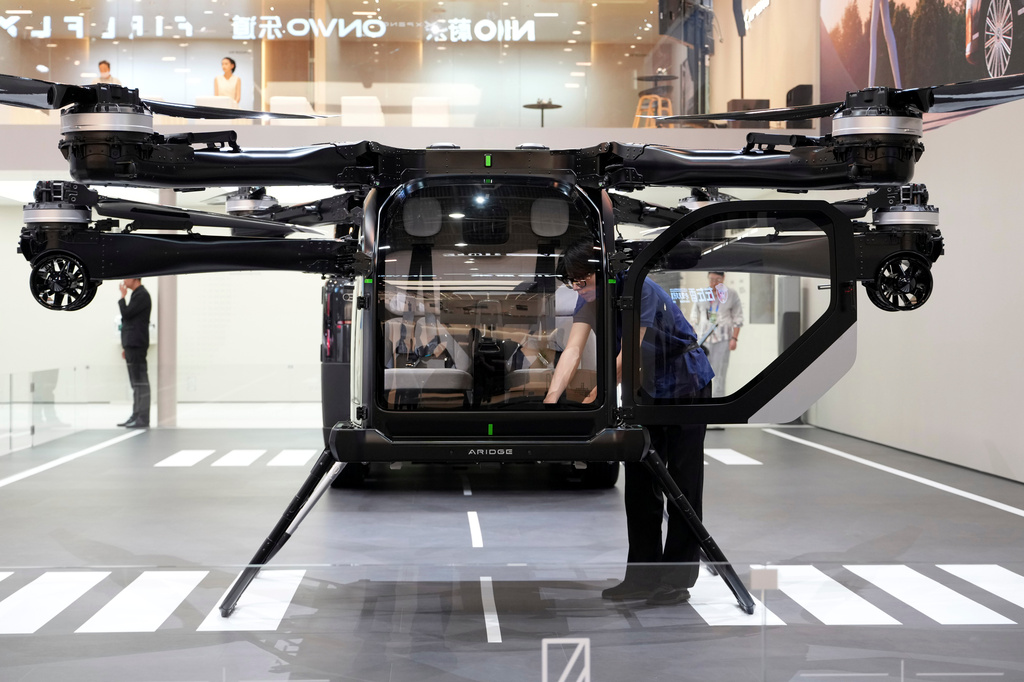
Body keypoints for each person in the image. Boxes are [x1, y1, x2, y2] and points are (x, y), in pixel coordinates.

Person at [543, 241, 714, 605]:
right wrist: (550, 402)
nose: (578, 289)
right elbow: (572, 350)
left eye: (582, 281)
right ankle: (641, 577)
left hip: (685, 382)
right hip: (647, 387)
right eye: (572, 283)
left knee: (682, 483)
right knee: (640, 481)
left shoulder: (640, 289)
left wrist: (595, 399)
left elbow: (629, 354)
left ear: (603, 273)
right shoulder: (586, 297)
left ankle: (676, 580)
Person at [690, 271, 742, 399]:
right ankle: (702, 402)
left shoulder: (731, 294)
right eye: (711, 279)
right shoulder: (701, 294)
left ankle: (718, 403)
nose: (713, 283)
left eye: (717, 280)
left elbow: (738, 318)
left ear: (723, 278)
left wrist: (734, 338)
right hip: (703, 340)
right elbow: (693, 317)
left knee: (719, 375)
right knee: (701, 373)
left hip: (722, 340)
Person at [118, 278, 151, 428]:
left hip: (137, 345)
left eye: (127, 278)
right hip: (132, 345)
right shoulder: (137, 295)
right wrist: (126, 347)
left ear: (134, 279)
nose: (124, 281)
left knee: (140, 383)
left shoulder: (142, 295)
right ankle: (136, 415)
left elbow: (127, 314)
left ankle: (142, 418)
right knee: (136, 383)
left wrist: (122, 297)